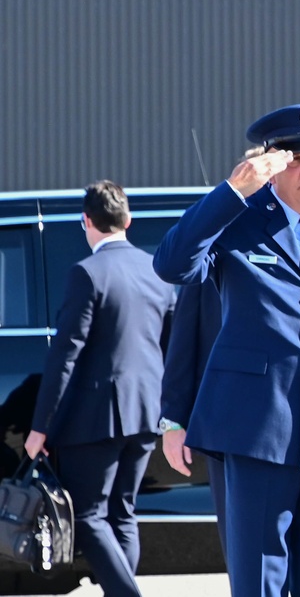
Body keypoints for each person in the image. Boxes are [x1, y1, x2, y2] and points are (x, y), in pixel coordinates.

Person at [153, 103, 300, 597]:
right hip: (258, 431)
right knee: (261, 581)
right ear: (274, 163)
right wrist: (232, 193)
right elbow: (172, 265)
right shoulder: (237, 224)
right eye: (297, 158)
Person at [160, 277, 300, 597]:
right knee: (254, 561)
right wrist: (173, 420)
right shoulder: (223, 233)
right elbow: (186, 332)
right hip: (240, 429)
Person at [25, 180, 175, 596]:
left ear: (86, 221)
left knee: (89, 516)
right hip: (147, 415)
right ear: (128, 221)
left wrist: (40, 428)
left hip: (96, 420)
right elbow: (170, 346)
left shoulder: (87, 273)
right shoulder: (158, 272)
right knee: (122, 513)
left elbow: (65, 357)